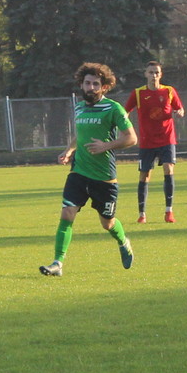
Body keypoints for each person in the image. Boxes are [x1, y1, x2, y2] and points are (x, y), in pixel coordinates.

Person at [39, 62, 137, 277]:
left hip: (104, 177)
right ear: (81, 85)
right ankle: (57, 263)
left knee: (107, 223)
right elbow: (80, 134)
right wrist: (69, 150)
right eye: (87, 83)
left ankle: (123, 242)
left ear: (104, 87)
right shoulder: (79, 107)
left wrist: (105, 146)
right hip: (79, 172)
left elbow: (131, 138)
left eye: (95, 84)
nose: (91, 87)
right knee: (67, 213)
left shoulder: (113, 108)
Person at [125, 61, 186, 224]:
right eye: (151, 72)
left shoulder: (169, 91)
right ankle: (142, 214)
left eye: (157, 72)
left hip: (167, 138)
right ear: (145, 74)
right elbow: (125, 112)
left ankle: (168, 211)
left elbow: (179, 108)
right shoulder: (138, 93)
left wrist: (179, 112)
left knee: (168, 168)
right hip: (146, 141)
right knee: (145, 175)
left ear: (161, 74)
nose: (154, 76)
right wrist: (124, 123)